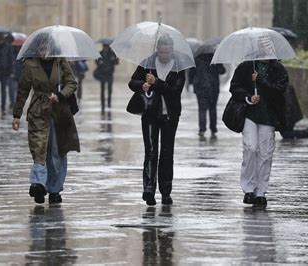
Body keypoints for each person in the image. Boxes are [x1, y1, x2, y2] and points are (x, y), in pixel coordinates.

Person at [12, 33, 80, 204]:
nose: (44, 52)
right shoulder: (29, 65)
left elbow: (72, 83)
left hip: (59, 112)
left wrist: (60, 94)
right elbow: (22, 90)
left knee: (57, 151)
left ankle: (55, 189)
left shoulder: (61, 61)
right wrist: (16, 114)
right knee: (39, 148)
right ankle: (38, 184)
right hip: (38, 111)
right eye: (41, 48)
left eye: (47, 48)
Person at [128, 36, 186, 206]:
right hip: (150, 113)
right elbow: (132, 82)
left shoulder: (178, 66)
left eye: (167, 51)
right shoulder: (147, 63)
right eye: (161, 51)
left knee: (167, 153)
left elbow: (176, 90)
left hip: (170, 115)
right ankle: (149, 189)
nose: (164, 54)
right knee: (151, 151)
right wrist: (142, 85)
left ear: (172, 49)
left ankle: (166, 192)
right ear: (157, 49)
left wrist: (156, 83)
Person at [230, 59, 288, 207]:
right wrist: (248, 97)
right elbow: (235, 87)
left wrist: (261, 80)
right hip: (249, 114)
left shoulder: (279, 70)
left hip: (269, 116)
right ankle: (248, 189)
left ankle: (260, 191)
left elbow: (279, 90)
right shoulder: (246, 66)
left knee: (265, 154)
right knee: (250, 147)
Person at [189, 53, 226, 139]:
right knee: (212, 108)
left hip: (200, 87)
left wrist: (191, 82)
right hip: (213, 87)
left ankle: (202, 129)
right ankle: (213, 129)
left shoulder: (196, 59)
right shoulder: (215, 58)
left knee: (202, 109)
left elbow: (191, 73)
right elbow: (222, 71)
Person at [94, 44, 119, 111]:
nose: (105, 48)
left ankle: (109, 102)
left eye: (106, 46)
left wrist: (114, 59)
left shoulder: (112, 53)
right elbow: (96, 61)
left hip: (110, 74)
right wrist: (99, 62)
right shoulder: (100, 53)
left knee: (109, 89)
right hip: (102, 74)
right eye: (104, 46)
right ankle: (102, 103)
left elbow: (117, 62)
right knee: (102, 89)